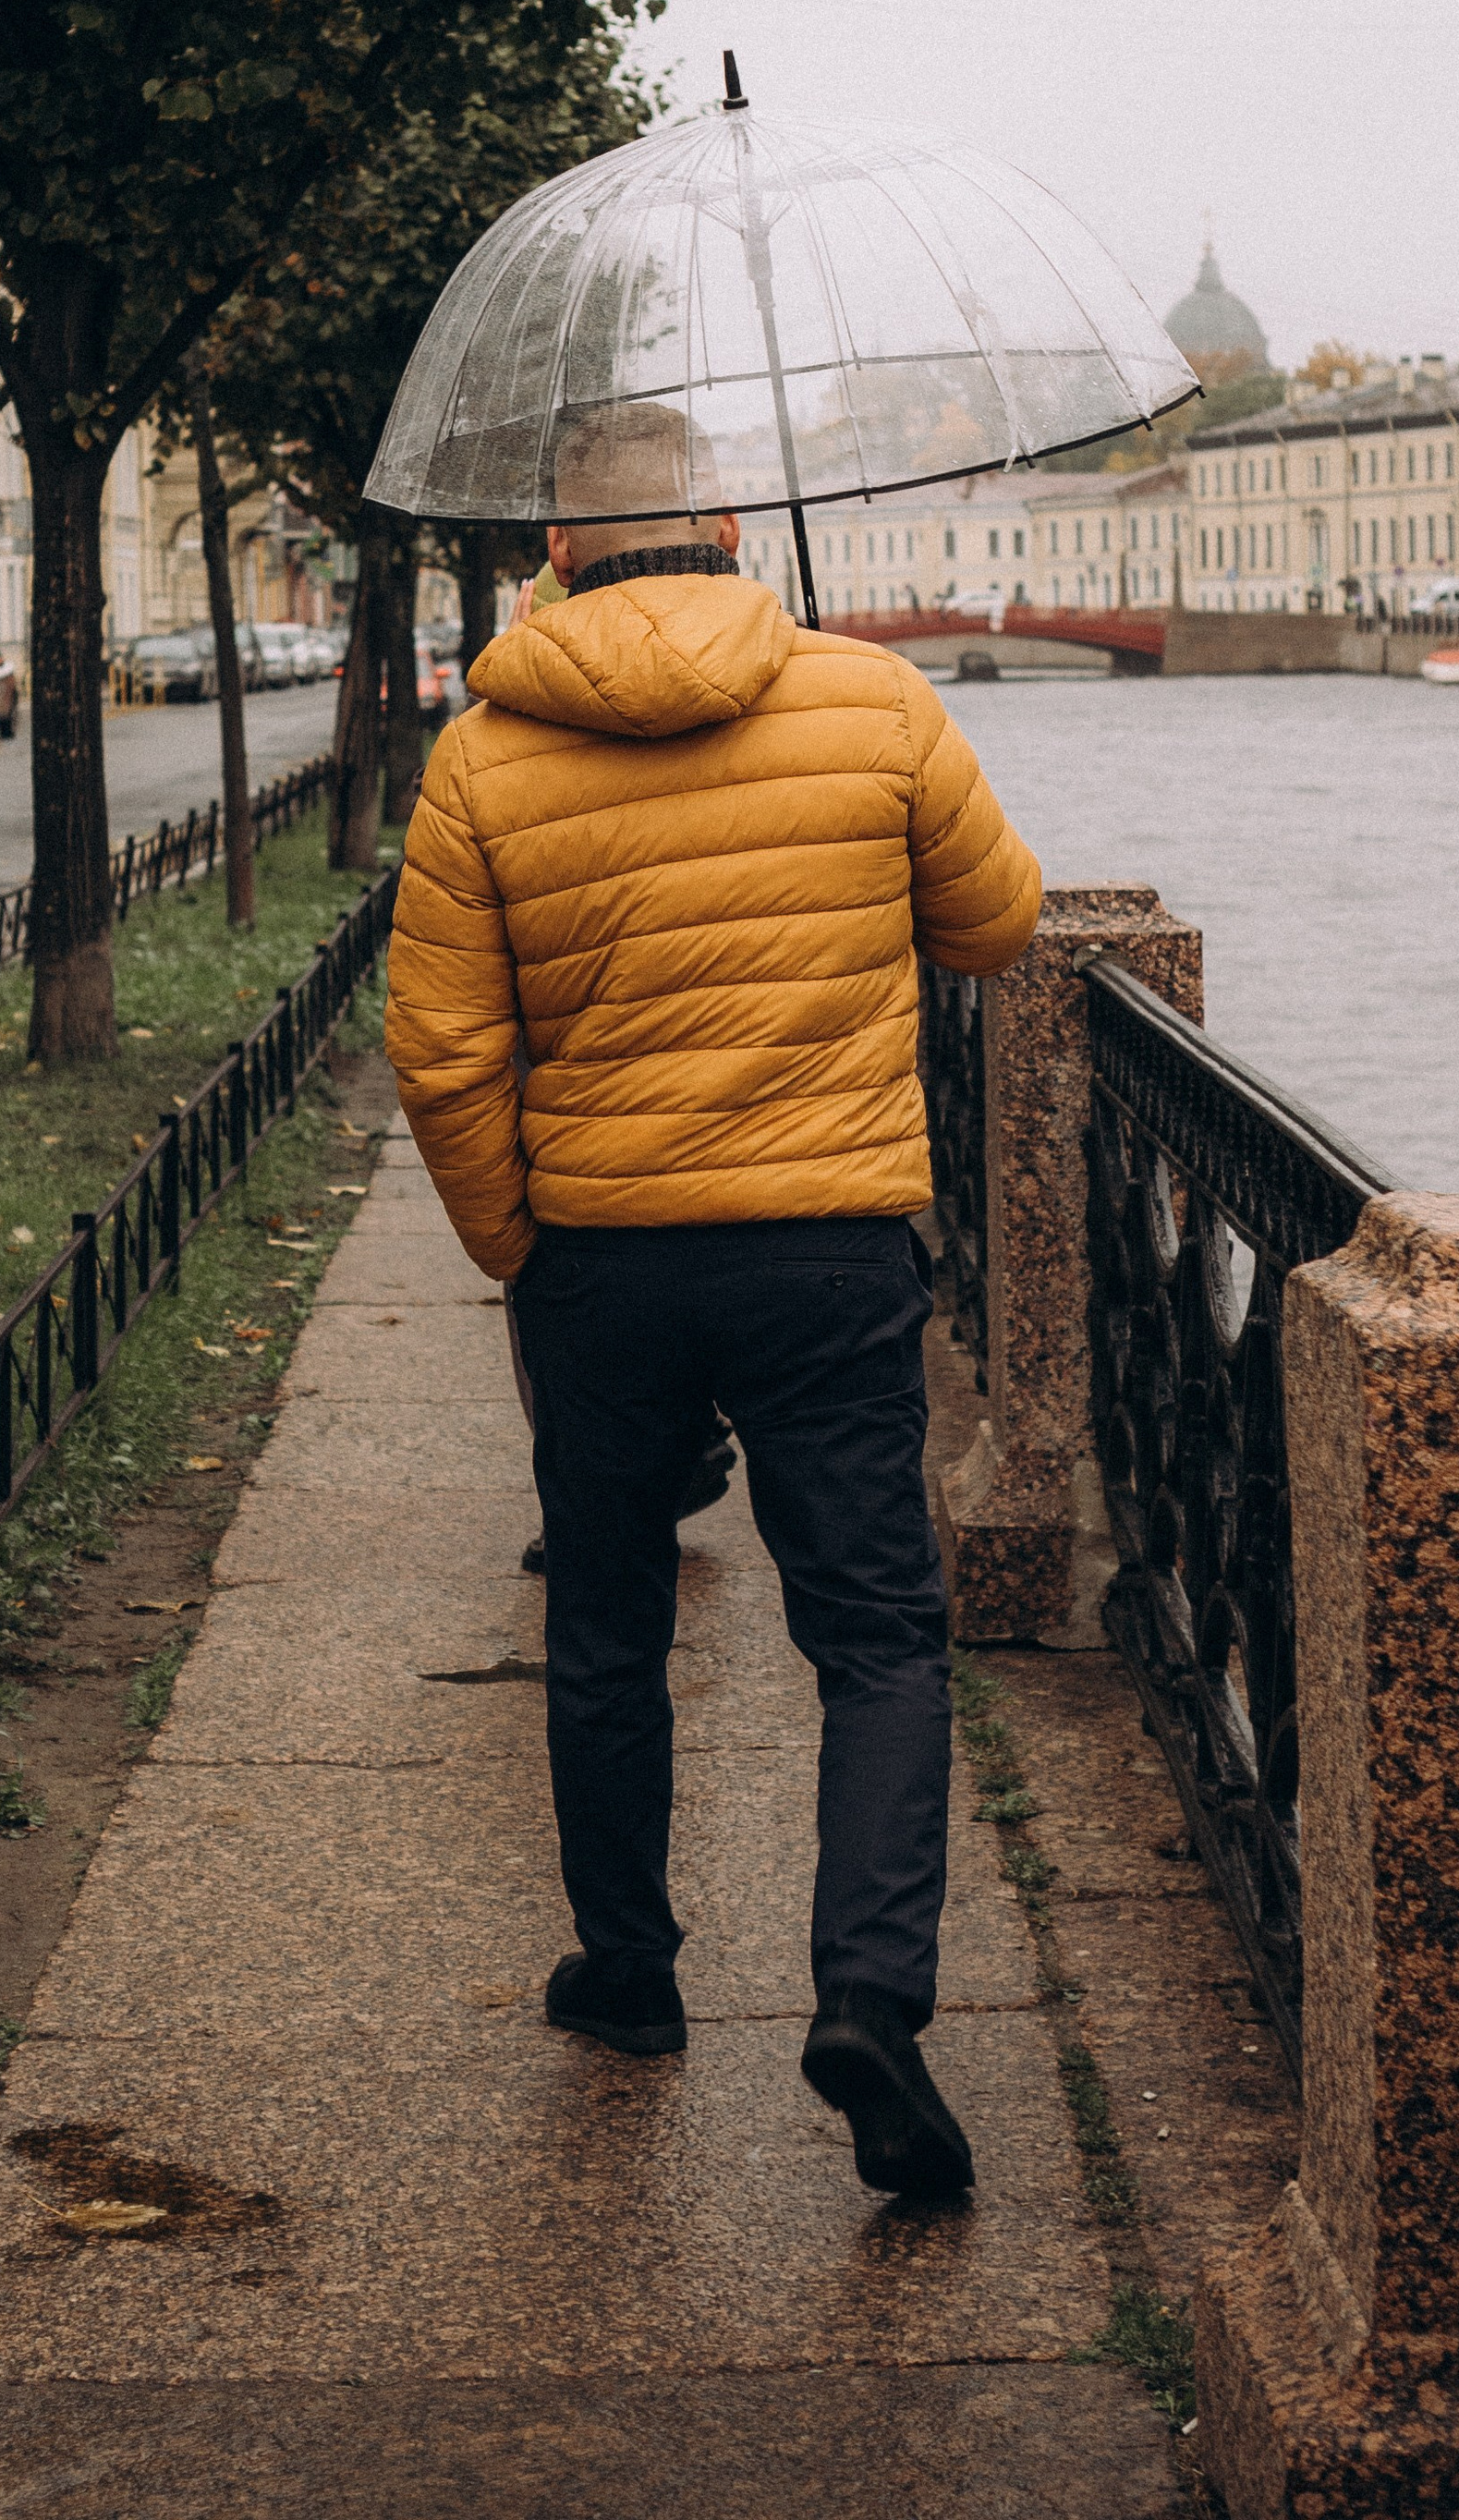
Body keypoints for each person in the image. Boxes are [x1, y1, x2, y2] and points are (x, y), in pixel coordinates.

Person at [384, 402, 1041, 2199]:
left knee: (606, 1626)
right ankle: (870, 2001)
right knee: (877, 1633)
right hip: (829, 1246)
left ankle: (630, 1974)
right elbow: (996, 925)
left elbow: (442, 1052)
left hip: (601, 1255)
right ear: (736, 533)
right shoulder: (869, 699)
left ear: (557, 556)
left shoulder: (481, 756)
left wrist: (520, 1244)